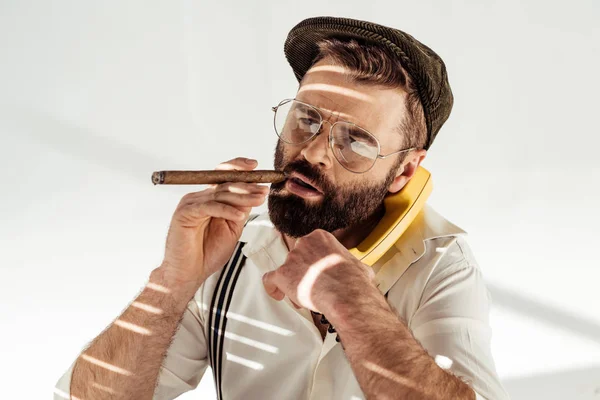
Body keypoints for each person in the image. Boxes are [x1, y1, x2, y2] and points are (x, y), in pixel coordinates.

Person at [55, 16, 509, 400]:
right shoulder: (230, 245)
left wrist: (351, 302)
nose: (313, 152)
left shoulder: (436, 261)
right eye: (307, 119)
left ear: (404, 172)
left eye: (356, 140)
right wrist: (173, 282)